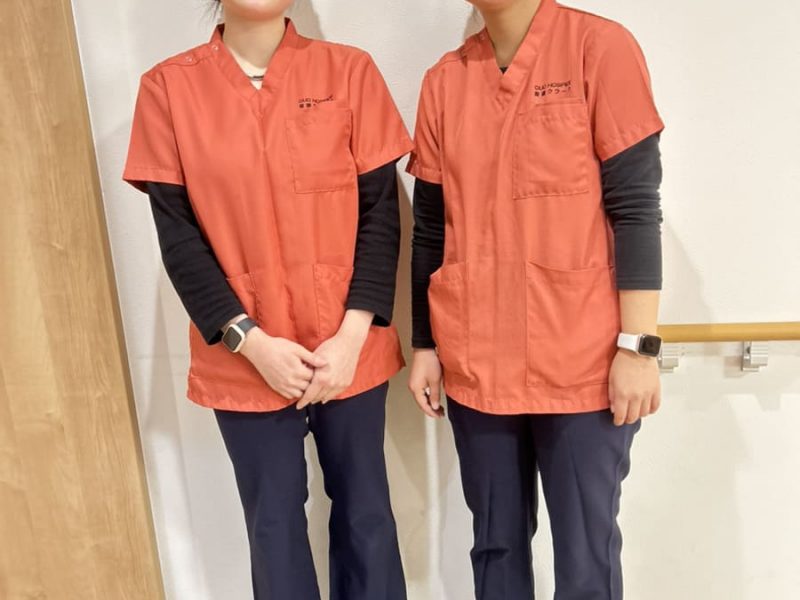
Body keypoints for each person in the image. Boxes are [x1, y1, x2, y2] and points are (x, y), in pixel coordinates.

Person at [122, 1, 412, 598]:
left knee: (367, 515)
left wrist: (351, 337)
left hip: (347, 348)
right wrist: (251, 343)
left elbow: (381, 215)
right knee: (273, 526)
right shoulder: (168, 89)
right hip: (243, 356)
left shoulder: (349, 71)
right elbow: (179, 239)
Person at [407, 0, 665, 598]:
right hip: (476, 359)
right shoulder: (444, 81)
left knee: (586, 553)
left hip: (582, 362)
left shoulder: (599, 49)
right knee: (495, 547)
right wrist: (424, 343)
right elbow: (430, 229)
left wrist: (638, 347)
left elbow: (635, 209)